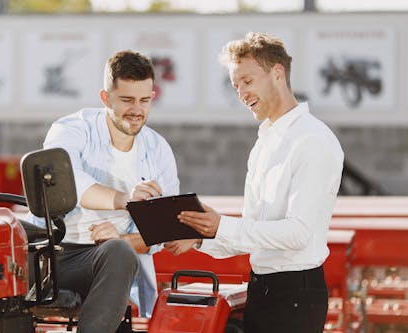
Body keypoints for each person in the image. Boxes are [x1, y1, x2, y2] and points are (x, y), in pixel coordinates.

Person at [164, 32, 344, 333]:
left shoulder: (313, 140)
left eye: (247, 81)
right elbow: (253, 231)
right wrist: (199, 237)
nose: (241, 94)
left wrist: (219, 225)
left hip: (295, 295)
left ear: (277, 73)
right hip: (262, 290)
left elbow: (298, 233)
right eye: (235, 86)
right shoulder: (264, 142)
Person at [29, 50, 179, 332]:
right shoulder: (72, 129)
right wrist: (125, 200)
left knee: (119, 252)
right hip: (54, 254)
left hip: (112, 260)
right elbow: (68, 182)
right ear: (105, 98)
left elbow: (161, 233)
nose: (137, 110)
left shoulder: (159, 150)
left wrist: (121, 237)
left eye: (145, 100)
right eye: (127, 100)